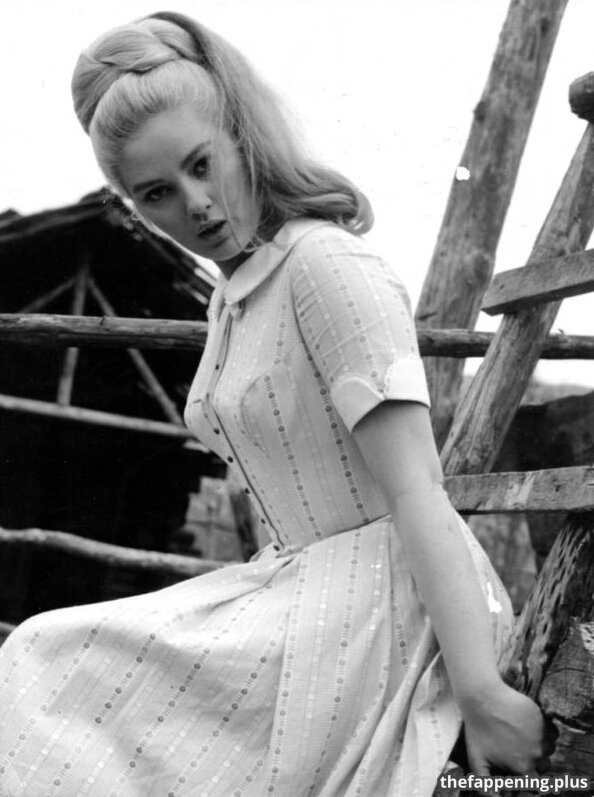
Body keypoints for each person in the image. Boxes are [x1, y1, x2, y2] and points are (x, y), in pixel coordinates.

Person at [0, 11, 547, 797]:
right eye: (157, 193)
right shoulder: (232, 298)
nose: (196, 204)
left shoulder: (325, 264)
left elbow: (416, 490)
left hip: (383, 609)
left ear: (239, 133)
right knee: (45, 661)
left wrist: (481, 689)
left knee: (46, 661)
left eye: (201, 164)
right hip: (296, 594)